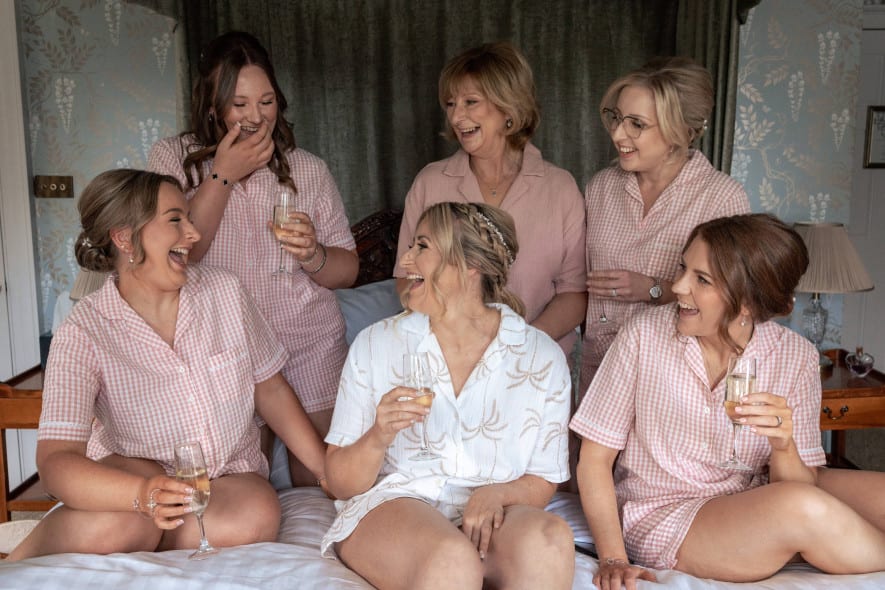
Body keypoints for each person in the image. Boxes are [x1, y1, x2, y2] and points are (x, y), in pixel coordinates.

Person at [7, 169, 328, 561]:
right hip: (132, 475)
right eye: (176, 220)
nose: (193, 234)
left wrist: (325, 469)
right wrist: (141, 497)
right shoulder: (83, 332)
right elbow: (56, 461)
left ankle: (125, 535)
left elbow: (270, 388)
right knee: (127, 520)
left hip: (225, 479)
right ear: (124, 238)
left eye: (189, 219)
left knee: (255, 517)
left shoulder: (224, 292)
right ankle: (21, 562)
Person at [571, 213, 885, 588]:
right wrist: (612, 557)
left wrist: (783, 446)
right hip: (668, 511)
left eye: (701, 279)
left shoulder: (796, 356)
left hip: (758, 492)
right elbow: (594, 459)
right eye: (683, 268)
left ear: (748, 303)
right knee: (801, 510)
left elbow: (803, 480)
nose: (679, 286)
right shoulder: (643, 337)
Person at [323, 202, 575, 589]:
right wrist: (378, 436)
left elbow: (544, 477)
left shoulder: (541, 357)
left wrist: (498, 493)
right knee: (452, 561)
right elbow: (339, 482)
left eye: (421, 246)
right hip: (395, 505)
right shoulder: (376, 344)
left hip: (489, 510)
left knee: (551, 540)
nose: (405, 259)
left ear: (471, 265)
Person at [148, 31, 357, 486]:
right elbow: (179, 254)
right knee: (242, 481)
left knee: (321, 480)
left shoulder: (307, 169)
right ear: (212, 104)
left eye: (266, 102)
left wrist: (314, 254)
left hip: (307, 343)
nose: (255, 117)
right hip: (224, 350)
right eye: (239, 105)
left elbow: (348, 272)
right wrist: (223, 175)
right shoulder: (173, 158)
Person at [394, 42, 586, 358]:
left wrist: (520, 344)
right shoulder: (430, 182)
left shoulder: (560, 188)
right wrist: (459, 339)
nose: (457, 116)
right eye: (451, 104)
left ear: (509, 107)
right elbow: (407, 280)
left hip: (533, 368)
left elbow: (574, 293)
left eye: (470, 102)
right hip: (448, 363)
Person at [581, 56, 751, 392]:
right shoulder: (600, 187)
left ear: (679, 132)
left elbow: (733, 302)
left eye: (636, 124)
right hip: (600, 370)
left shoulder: (722, 199)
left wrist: (653, 288)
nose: (617, 134)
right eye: (616, 118)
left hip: (677, 379)